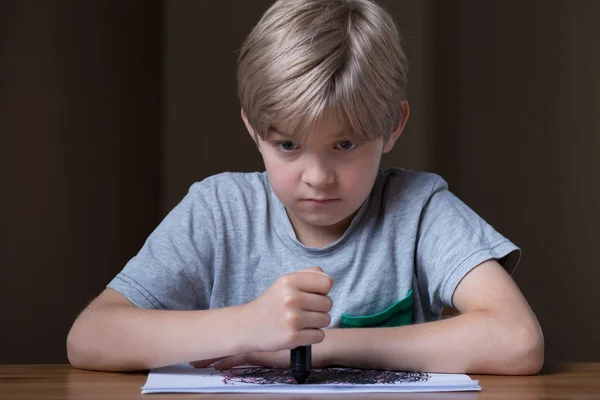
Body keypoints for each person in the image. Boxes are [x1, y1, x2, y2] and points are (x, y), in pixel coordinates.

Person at [66, 0, 544, 374]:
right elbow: (91, 337)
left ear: (393, 126)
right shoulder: (217, 210)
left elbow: (517, 340)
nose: (317, 176)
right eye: (289, 145)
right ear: (254, 129)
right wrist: (247, 326)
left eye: (346, 143)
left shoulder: (418, 211)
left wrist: (321, 347)